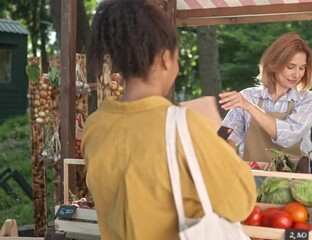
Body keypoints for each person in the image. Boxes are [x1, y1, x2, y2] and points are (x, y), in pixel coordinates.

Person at [82, 0, 257, 239]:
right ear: (166, 58)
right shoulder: (185, 125)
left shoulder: (95, 126)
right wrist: (226, 151)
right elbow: (240, 202)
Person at [219, 32, 312, 166]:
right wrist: (227, 149)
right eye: (290, 67)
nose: (296, 74)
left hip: (298, 179)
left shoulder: (308, 100)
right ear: (274, 64)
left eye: (301, 68)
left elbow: (288, 137)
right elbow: (225, 135)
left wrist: (249, 107)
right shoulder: (248, 96)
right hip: (254, 176)